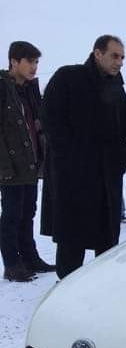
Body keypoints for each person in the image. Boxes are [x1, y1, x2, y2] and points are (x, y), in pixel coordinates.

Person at [41, 35, 126, 278]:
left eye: (122, 57)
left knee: (107, 237)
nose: (119, 62)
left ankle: (103, 287)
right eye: (114, 55)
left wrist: (121, 159)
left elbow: (125, 129)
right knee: (73, 237)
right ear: (97, 53)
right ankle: (67, 289)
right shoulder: (69, 78)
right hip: (74, 176)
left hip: (107, 176)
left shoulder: (117, 88)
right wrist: (69, 157)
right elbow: (50, 119)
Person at [0, 41, 54, 281]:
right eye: (29, 61)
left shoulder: (30, 89)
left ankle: (30, 258)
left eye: (36, 62)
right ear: (14, 61)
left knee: (27, 212)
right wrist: (4, 166)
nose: (34, 67)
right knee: (11, 215)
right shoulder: (3, 88)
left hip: (30, 163)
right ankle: (12, 264)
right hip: (10, 165)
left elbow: (38, 125)